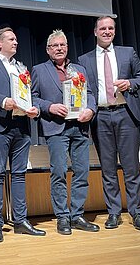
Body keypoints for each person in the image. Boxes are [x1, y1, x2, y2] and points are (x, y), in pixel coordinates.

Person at [78, 16, 140, 231]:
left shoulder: (128, 52)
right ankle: (114, 213)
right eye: (103, 28)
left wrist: (130, 83)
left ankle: (137, 214)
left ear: (114, 31)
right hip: (101, 117)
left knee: (131, 168)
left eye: (111, 28)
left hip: (126, 114)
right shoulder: (84, 59)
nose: (107, 31)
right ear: (95, 32)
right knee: (108, 169)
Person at [0, 27, 46, 243]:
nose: (16, 42)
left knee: (19, 174)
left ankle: (20, 221)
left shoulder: (21, 67)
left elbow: (27, 96)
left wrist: (33, 109)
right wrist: (3, 101)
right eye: (11, 39)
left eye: (16, 39)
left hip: (21, 126)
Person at [31, 29, 100, 235]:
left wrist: (91, 109)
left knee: (82, 173)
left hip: (79, 127)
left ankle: (77, 215)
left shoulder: (79, 69)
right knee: (59, 172)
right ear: (48, 50)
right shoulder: (39, 70)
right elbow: (32, 97)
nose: (59, 48)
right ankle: (62, 217)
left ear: (67, 47)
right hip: (56, 128)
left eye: (62, 45)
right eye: (55, 46)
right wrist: (50, 107)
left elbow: (89, 94)